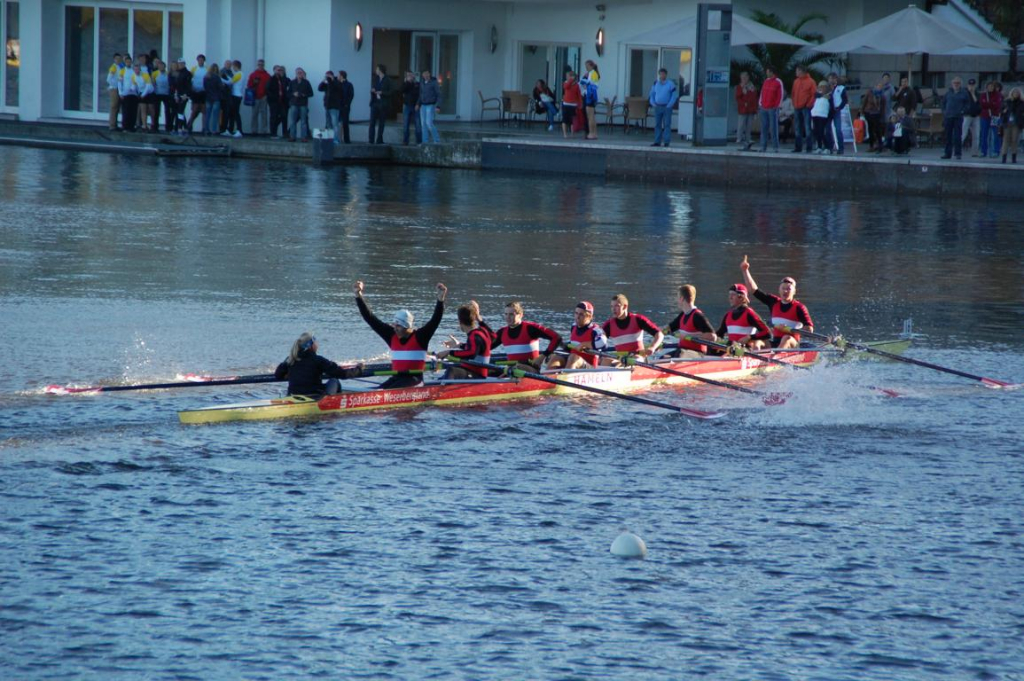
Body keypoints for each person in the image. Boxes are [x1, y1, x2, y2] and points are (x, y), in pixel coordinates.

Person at [354, 280, 447, 389]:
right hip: (396, 378)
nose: (395, 328)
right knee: (375, 392)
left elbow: (435, 320)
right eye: (394, 325)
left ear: (407, 327)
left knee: (384, 393)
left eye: (399, 326)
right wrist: (358, 295)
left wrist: (440, 300)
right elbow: (370, 318)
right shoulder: (391, 335)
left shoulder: (421, 337)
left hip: (415, 380)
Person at [740, 255, 813, 349]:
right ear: (779, 290)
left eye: (788, 289)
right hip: (775, 342)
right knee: (757, 341)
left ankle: (777, 356)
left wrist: (789, 330)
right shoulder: (773, 302)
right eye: (783, 288)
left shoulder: (799, 307)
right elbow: (753, 290)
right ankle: (757, 357)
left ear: (794, 291)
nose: (785, 291)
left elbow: (809, 330)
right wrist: (745, 271)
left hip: (792, 344)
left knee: (786, 338)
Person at [274, 333, 363, 397]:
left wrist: (290, 374)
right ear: (311, 345)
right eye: (316, 342)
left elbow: (277, 375)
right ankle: (334, 404)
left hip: (293, 395)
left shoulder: (290, 359)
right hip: (313, 396)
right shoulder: (318, 360)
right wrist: (358, 369)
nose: (317, 345)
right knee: (334, 380)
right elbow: (341, 374)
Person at [491, 301, 562, 370]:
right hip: (511, 370)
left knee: (517, 367)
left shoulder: (530, 328)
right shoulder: (502, 332)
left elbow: (557, 337)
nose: (508, 317)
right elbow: (487, 346)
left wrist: (543, 356)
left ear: (520, 315)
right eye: (506, 314)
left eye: (511, 314)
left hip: (531, 370)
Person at [601, 294, 664, 362]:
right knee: (605, 360)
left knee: (636, 358)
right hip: (621, 358)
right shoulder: (608, 325)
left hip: (638, 357)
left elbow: (659, 334)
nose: (613, 309)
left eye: (617, 306)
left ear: (625, 306)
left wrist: (652, 347)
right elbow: (599, 341)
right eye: (612, 306)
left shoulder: (638, 319)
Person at [546, 301, 608, 370]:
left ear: (589, 316)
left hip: (590, 367)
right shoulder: (573, 326)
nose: (577, 317)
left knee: (573, 357)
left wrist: (583, 344)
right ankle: (547, 376)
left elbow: (603, 343)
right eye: (576, 313)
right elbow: (572, 345)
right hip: (573, 360)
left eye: (581, 314)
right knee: (555, 358)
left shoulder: (596, 330)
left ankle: (567, 375)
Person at [437, 305, 493, 379]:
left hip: (477, 375)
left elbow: (471, 353)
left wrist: (449, 352)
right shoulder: (481, 331)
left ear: (460, 322)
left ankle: (441, 386)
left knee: (452, 371)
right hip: (471, 370)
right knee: (449, 368)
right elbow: (477, 347)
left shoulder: (474, 336)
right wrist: (459, 345)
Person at [663, 285, 717, 357]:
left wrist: (688, 336)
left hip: (697, 353)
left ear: (681, 298)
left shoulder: (697, 316)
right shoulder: (682, 315)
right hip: (682, 351)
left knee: (680, 354)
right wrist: (656, 333)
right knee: (662, 358)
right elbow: (668, 329)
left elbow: (713, 337)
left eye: (677, 297)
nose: (677, 300)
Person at [716, 283, 771, 351]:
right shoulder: (728, 315)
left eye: (733, 295)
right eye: (729, 294)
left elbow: (767, 333)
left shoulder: (749, 313)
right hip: (732, 350)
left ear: (741, 297)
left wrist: (749, 337)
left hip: (746, 350)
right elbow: (720, 333)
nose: (730, 297)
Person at [940, 77, 970, 160]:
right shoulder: (948, 93)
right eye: (955, 83)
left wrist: (963, 111)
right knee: (948, 136)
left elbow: (967, 104)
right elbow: (943, 103)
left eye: (958, 83)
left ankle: (958, 153)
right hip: (948, 117)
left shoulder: (964, 93)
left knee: (957, 136)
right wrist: (944, 112)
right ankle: (947, 153)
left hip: (958, 117)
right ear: (952, 84)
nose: (956, 84)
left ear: (960, 84)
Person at [649, 68, 678, 148]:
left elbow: (674, 95)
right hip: (657, 106)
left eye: (663, 74)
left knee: (667, 124)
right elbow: (652, 94)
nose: (662, 75)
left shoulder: (670, 84)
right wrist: (653, 103)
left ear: (666, 75)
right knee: (657, 124)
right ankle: (657, 141)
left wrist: (669, 105)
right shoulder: (655, 83)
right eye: (660, 74)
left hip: (666, 107)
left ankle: (666, 142)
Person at [791, 65, 816, 153]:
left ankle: (809, 147)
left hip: (806, 108)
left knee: (807, 127)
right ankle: (798, 147)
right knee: (797, 128)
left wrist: (808, 104)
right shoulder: (796, 81)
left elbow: (814, 94)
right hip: (797, 107)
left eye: (797, 71)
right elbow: (793, 93)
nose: (796, 72)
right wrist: (794, 103)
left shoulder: (811, 81)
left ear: (801, 71)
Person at [758, 66, 783, 153]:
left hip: (772, 108)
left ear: (772, 72)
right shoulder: (766, 81)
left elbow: (780, 95)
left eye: (768, 72)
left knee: (773, 128)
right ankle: (763, 146)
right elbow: (762, 93)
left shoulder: (778, 82)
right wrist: (760, 103)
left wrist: (777, 106)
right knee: (763, 128)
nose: (766, 73)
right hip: (764, 107)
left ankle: (775, 147)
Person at [286, 67, 313, 142]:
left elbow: (311, 93)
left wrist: (303, 95)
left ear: (303, 73)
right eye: (298, 73)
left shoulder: (306, 82)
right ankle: (292, 137)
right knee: (292, 121)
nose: (299, 74)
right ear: (296, 73)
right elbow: (288, 93)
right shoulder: (292, 82)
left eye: (301, 73)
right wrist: (293, 94)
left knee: (303, 122)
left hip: (303, 104)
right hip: (294, 104)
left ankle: (303, 137)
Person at [246, 59, 271, 136]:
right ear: (257, 65)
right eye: (259, 64)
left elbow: (270, 86)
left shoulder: (267, 75)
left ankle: (264, 130)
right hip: (255, 96)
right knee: (254, 114)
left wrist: (266, 95)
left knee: (264, 114)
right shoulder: (253, 75)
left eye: (262, 64)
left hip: (264, 97)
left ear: (264, 65)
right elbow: (249, 85)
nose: (260, 66)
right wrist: (254, 84)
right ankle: (254, 130)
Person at [979, 80, 1003, 159]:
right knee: (984, 134)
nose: (990, 88)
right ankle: (983, 151)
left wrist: (989, 104)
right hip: (985, 116)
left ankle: (996, 151)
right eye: (989, 86)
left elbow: (997, 105)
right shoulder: (983, 95)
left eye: (992, 86)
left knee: (996, 134)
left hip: (995, 116)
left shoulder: (998, 95)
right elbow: (982, 104)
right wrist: (990, 104)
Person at [999, 87, 1023, 164]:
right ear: (1011, 93)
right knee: (1005, 140)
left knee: (1014, 140)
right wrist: (1004, 111)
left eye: (1017, 93)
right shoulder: (1007, 102)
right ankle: (1004, 157)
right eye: (1014, 93)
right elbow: (1001, 111)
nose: (1015, 94)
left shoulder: (1022, 103)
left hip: (1016, 123)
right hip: (1007, 123)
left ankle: (1013, 157)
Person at [369, 64, 391, 144]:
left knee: (381, 123)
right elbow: (373, 87)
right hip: (375, 102)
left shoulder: (388, 80)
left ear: (381, 70)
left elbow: (391, 92)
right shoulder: (375, 79)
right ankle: (371, 140)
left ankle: (379, 140)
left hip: (383, 103)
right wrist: (372, 90)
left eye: (377, 69)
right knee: (372, 122)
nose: (376, 71)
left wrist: (382, 92)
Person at [735, 71, 758, 149]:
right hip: (743, 109)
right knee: (741, 124)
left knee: (749, 125)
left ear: (748, 78)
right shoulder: (739, 87)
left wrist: (755, 110)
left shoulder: (752, 87)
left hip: (751, 109)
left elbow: (754, 98)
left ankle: (748, 139)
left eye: (745, 77)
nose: (744, 79)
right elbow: (738, 98)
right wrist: (743, 103)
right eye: (742, 78)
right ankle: (739, 138)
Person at [318, 70, 343, 141]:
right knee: (328, 123)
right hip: (327, 105)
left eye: (329, 75)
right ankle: (329, 138)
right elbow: (319, 88)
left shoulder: (337, 82)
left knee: (335, 123)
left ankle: (336, 139)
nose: (328, 77)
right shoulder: (326, 84)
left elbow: (339, 88)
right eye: (327, 76)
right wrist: (323, 80)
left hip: (335, 106)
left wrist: (332, 79)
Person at [118, 60, 142, 133]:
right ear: (125, 63)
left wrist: (138, 92)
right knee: (126, 111)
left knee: (133, 111)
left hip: (134, 94)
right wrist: (120, 93)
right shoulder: (122, 71)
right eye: (127, 62)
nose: (128, 63)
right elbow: (120, 82)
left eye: (129, 62)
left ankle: (131, 126)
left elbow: (138, 82)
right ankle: (125, 127)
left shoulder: (134, 71)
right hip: (126, 94)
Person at [418, 69, 441, 144]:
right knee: (423, 125)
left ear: (429, 74)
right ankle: (425, 142)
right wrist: (418, 103)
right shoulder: (422, 82)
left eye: (427, 73)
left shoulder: (434, 82)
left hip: (430, 105)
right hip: (423, 105)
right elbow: (420, 94)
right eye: (424, 74)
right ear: (422, 75)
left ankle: (437, 140)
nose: (426, 75)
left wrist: (438, 106)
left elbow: (439, 94)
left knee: (429, 123)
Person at [170, 57, 192, 135]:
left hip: (184, 95)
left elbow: (189, 85)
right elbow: (174, 85)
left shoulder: (188, 73)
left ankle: (180, 128)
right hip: (177, 94)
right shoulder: (176, 73)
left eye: (182, 63)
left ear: (184, 64)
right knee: (179, 112)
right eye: (179, 64)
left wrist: (186, 94)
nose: (180, 65)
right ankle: (184, 127)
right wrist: (175, 94)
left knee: (180, 111)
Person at [267, 65, 290, 139]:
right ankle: (273, 133)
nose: (279, 71)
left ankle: (280, 131)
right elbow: (267, 89)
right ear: (274, 70)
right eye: (278, 70)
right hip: (274, 101)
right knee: (273, 116)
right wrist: (274, 97)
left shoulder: (281, 79)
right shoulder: (271, 79)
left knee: (283, 115)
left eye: (280, 70)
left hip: (281, 101)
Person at [828, 72, 848, 155]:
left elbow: (844, 100)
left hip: (836, 110)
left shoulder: (841, 88)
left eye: (833, 78)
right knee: (828, 130)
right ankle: (830, 147)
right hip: (828, 111)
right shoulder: (827, 88)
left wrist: (839, 107)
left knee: (838, 129)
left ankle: (841, 148)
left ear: (836, 79)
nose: (831, 80)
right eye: (830, 78)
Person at [399, 71, 421, 145]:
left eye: (411, 75)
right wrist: (407, 82)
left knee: (418, 124)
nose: (410, 77)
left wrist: (418, 104)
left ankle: (419, 141)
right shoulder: (405, 84)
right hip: (407, 105)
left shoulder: (417, 84)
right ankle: (405, 141)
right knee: (406, 124)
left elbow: (420, 95)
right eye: (408, 75)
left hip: (416, 106)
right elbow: (401, 90)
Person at [187, 54, 207, 133]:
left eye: (202, 60)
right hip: (195, 92)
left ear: (204, 61)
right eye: (199, 60)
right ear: (197, 61)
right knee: (195, 110)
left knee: (204, 110)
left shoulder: (207, 69)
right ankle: (189, 124)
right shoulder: (194, 69)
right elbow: (189, 79)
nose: (200, 61)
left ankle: (204, 128)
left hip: (203, 92)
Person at [223, 60, 244, 137]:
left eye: (233, 66)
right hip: (236, 95)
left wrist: (220, 79)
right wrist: (227, 77)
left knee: (236, 113)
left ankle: (239, 130)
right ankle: (230, 130)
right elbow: (232, 80)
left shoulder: (239, 74)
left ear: (236, 66)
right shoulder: (239, 74)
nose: (233, 68)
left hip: (236, 96)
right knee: (232, 113)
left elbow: (230, 82)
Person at [811, 80, 832, 154]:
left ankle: (827, 147)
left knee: (821, 132)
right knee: (816, 132)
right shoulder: (817, 95)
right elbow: (815, 94)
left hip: (823, 115)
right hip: (815, 114)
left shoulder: (829, 95)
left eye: (823, 87)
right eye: (820, 86)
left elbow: (830, 102)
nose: (821, 88)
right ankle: (819, 147)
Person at [580, 60, 600, 140]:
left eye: (587, 66)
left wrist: (585, 82)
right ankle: (594, 133)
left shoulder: (593, 73)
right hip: (590, 95)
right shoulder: (591, 73)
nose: (586, 68)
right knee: (592, 116)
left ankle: (591, 133)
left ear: (591, 66)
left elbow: (593, 85)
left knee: (590, 116)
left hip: (590, 96)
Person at [151, 59, 172, 132]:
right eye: (159, 66)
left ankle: (168, 127)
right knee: (156, 111)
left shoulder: (168, 73)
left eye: (162, 66)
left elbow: (170, 83)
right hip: (157, 94)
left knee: (167, 111)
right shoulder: (154, 73)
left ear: (164, 67)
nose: (161, 67)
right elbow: (153, 83)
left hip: (166, 94)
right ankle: (155, 126)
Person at [202, 64, 223, 136]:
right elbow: (221, 87)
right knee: (215, 115)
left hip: (208, 97)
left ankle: (206, 129)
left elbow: (205, 87)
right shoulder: (217, 77)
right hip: (216, 98)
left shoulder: (206, 77)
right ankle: (213, 130)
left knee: (208, 114)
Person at [861, 86, 883, 152]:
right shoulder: (869, 93)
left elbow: (882, 105)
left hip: (877, 114)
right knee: (870, 129)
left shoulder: (881, 95)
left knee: (877, 130)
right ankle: (871, 146)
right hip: (869, 113)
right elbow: (864, 102)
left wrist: (881, 113)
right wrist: (862, 111)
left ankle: (880, 145)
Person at [560, 71, 581, 139]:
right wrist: (570, 81)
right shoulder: (566, 82)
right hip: (566, 103)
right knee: (564, 119)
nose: (567, 77)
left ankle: (572, 134)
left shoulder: (576, 85)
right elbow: (566, 87)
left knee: (572, 120)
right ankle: (565, 134)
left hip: (573, 104)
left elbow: (578, 95)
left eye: (568, 76)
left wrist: (580, 103)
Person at [963, 78, 981, 154]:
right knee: (963, 133)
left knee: (976, 135)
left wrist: (972, 93)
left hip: (976, 116)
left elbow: (977, 102)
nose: (971, 86)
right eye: (970, 85)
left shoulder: (977, 93)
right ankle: (957, 150)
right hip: (967, 115)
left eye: (973, 85)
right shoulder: (964, 93)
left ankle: (975, 152)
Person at [106, 53, 124, 131]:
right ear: (114, 59)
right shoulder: (113, 67)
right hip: (114, 88)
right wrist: (116, 85)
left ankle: (115, 124)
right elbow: (109, 79)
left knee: (117, 107)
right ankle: (112, 125)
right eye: (117, 59)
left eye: (119, 59)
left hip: (118, 88)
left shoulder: (119, 67)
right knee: (114, 106)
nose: (118, 60)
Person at [338, 70, 354, 144]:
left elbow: (351, 95)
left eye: (338, 75)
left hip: (345, 106)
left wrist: (347, 104)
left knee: (345, 122)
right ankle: (338, 138)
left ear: (341, 76)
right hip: (337, 106)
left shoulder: (349, 85)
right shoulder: (337, 84)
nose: (337, 76)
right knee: (337, 123)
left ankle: (346, 139)